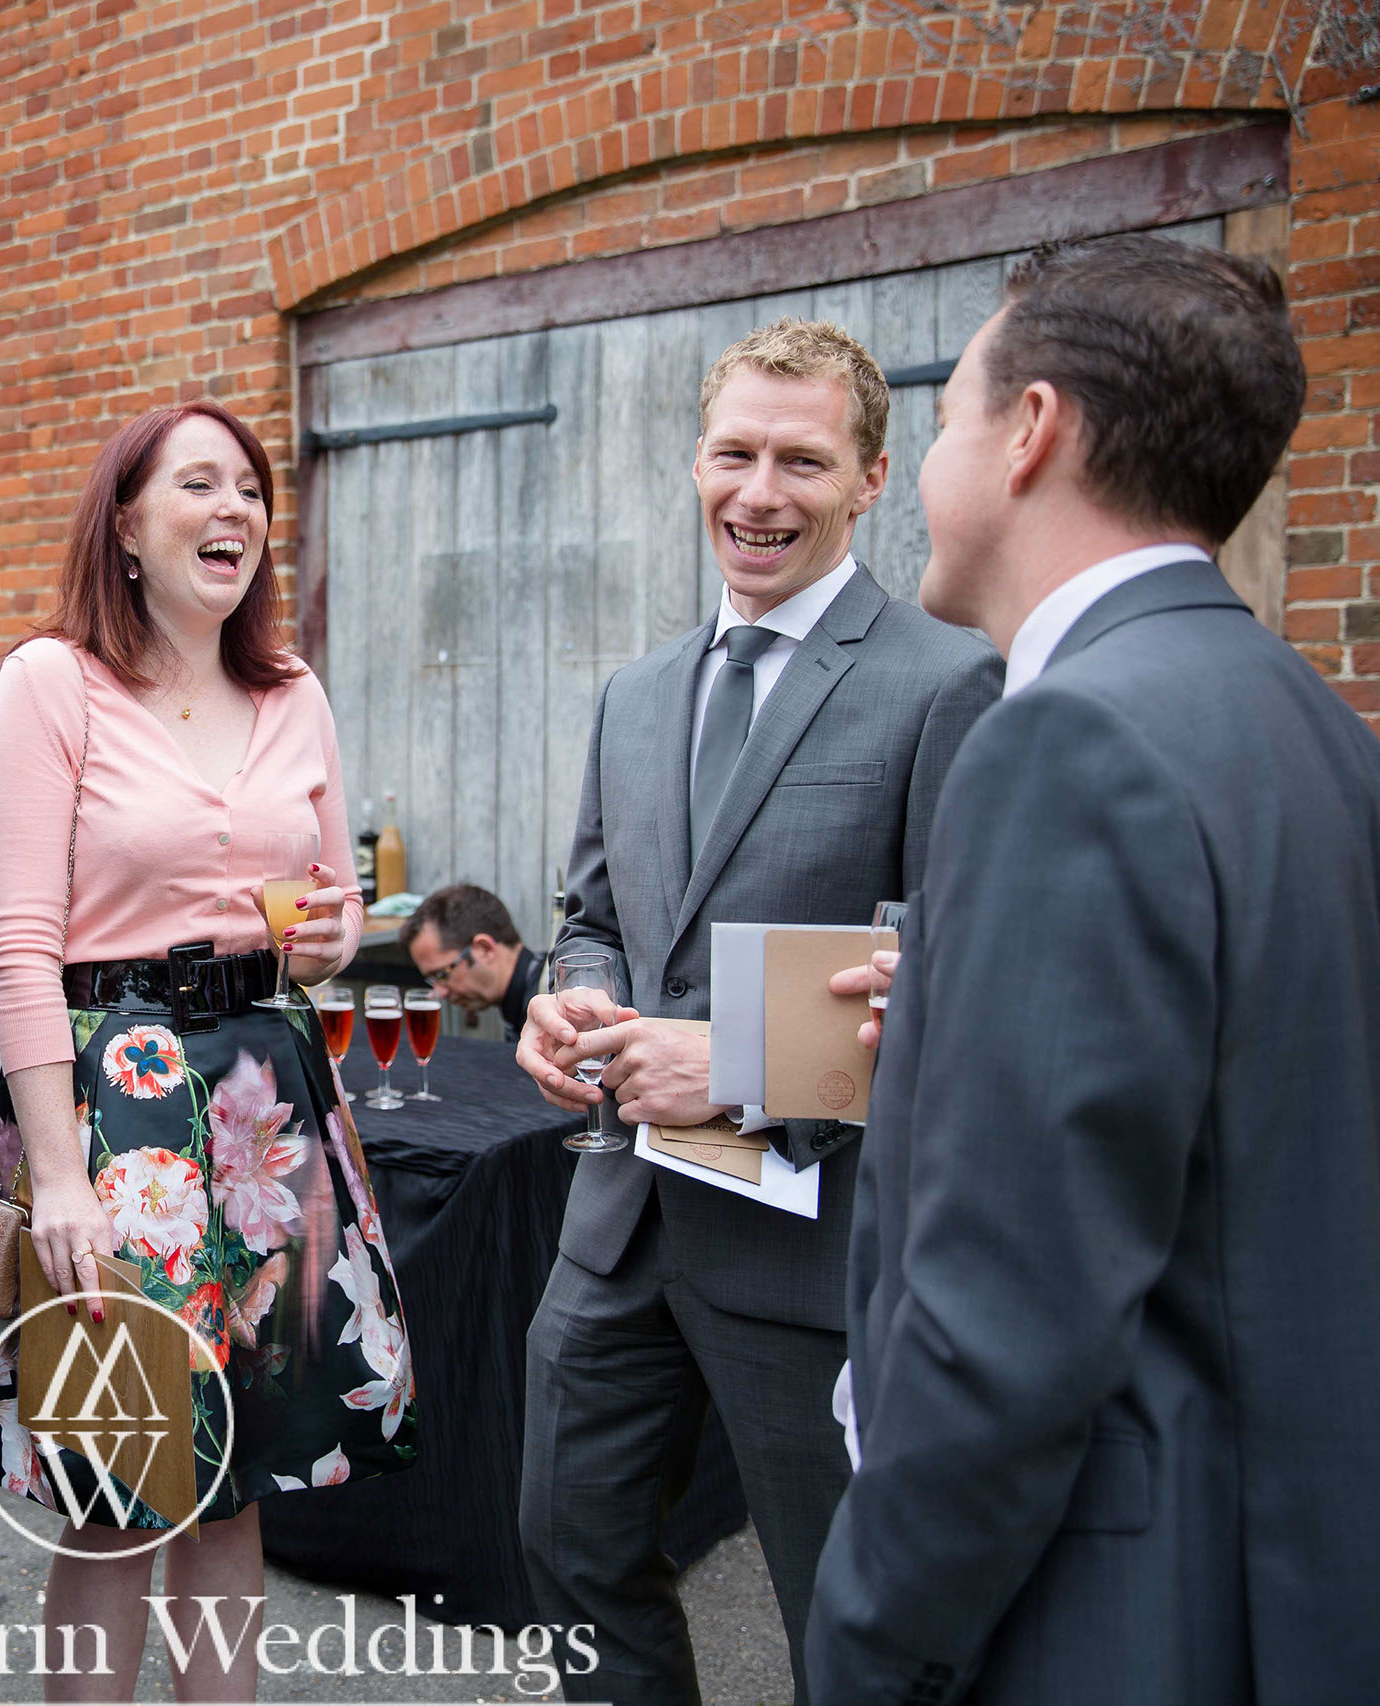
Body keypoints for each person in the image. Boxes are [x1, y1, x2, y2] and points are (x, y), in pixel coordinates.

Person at [806, 237, 1380, 1704]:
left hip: (1111, 1610)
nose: (930, 470)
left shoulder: (1066, 740)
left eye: (940, 426)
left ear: (1033, 431)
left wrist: (869, 1637)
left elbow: (1004, 1324)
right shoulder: (1310, 726)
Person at [511, 319, 1002, 1706]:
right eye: (735, 452)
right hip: (620, 1232)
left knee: (847, 1627)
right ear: (694, 463)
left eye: (802, 458)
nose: (760, 491)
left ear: (871, 479)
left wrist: (733, 1063)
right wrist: (570, 1000)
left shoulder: (946, 681)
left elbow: (957, 983)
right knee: (569, 1554)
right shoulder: (637, 692)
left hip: (819, 1258)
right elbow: (595, 919)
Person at [0, 397, 417, 1700]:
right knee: (119, 1492)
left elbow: (328, 919)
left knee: (236, 1485)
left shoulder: (291, 690)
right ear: (129, 526)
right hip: (115, 1113)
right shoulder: (50, 685)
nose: (236, 511)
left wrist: (332, 930)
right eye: (197, 484)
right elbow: (20, 947)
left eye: (251, 489)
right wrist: (62, 1175)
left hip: (265, 1099)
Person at [401, 882, 543, 1040]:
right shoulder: (527, 994)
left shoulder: (553, 1006)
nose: (440, 992)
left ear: (484, 949)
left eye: (442, 974)